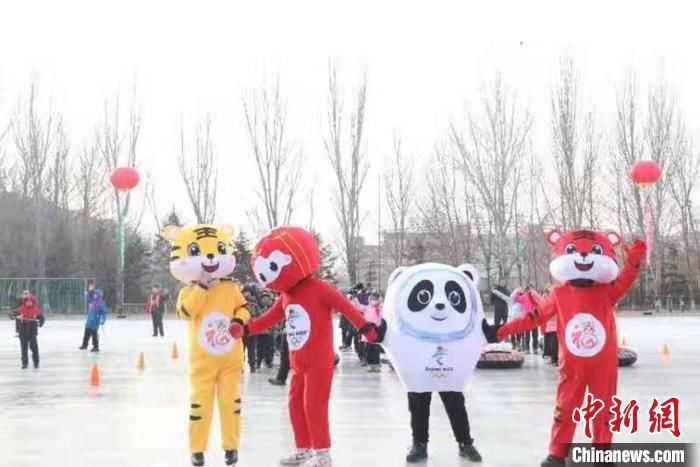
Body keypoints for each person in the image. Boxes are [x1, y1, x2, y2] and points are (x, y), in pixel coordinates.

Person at [492, 229, 646, 467]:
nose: (584, 257)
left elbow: (625, 279)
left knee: (603, 410)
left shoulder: (606, 291)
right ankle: (557, 453)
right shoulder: (559, 293)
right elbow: (535, 316)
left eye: (593, 252)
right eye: (575, 251)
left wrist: (634, 260)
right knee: (565, 408)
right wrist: (503, 329)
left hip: (602, 366)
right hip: (572, 366)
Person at [232, 226, 378, 467]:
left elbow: (347, 308)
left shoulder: (320, 289)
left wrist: (367, 329)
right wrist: (246, 329)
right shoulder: (286, 295)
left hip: (320, 361)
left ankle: (323, 455)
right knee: (294, 404)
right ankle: (304, 449)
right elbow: (269, 318)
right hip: (297, 361)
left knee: (314, 406)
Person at [375, 262, 494, 463]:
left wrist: (492, 332)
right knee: (418, 405)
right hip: (418, 366)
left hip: (452, 365)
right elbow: (384, 332)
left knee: (456, 404)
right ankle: (419, 444)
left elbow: (483, 331)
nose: (440, 304)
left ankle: (465, 442)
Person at [164, 223, 251, 467]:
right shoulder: (188, 292)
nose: (211, 257)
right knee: (200, 405)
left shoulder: (230, 287)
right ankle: (197, 449)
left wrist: (238, 321)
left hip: (230, 360)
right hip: (202, 361)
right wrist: (202, 287)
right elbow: (186, 313)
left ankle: (231, 447)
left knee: (230, 404)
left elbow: (244, 308)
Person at [11, 293, 45, 369]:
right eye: (27, 302)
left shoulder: (36, 310)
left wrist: (40, 322)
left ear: (33, 302)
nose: (28, 303)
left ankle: (36, 362)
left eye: (30, 302)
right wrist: (16, 316)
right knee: (24, 348)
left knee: (34, 346)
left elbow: (42, 318)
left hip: (32, 332)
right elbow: (11, 314)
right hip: (23, 332)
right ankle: (24, 363)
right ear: (25, 302)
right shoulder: (20, 309)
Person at [363, 292, 383, 373]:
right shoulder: (367, 308)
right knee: (369, 349)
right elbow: (358, 306)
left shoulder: (381, 309)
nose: (374, 301)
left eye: (375, 299)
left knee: (376, 349)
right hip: (369, 331)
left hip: (377, 331)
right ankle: (369, 364)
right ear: (370, 300)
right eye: (372, 299)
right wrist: (354, 299)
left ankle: (377, 364)